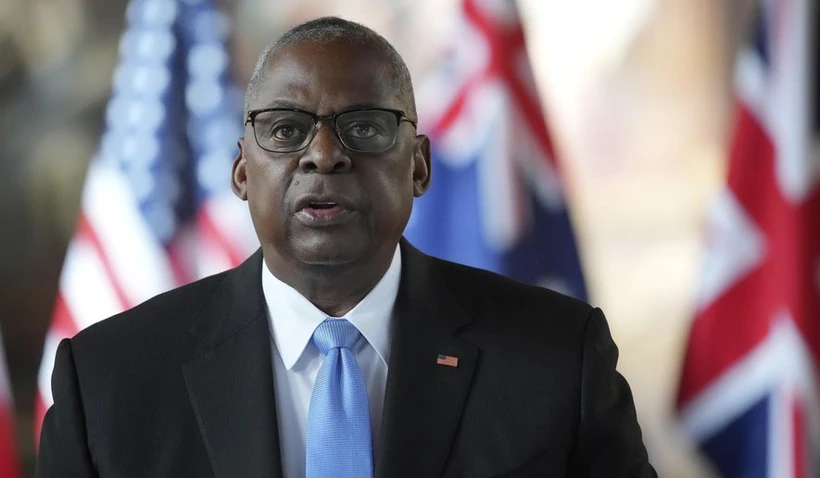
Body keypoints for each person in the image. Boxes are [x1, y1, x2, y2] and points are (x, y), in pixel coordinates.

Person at [36, 16, 656, 478]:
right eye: (286, 129)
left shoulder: (557, 358)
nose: (325, 155)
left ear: (418, 166)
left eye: (364, 126)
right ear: (242, 172)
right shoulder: (109, 382)